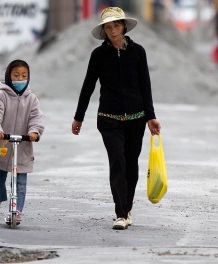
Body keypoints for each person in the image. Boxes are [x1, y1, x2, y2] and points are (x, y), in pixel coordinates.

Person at [71, 7, 161, 230]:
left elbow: (145, 86)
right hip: (108, 119)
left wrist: (151, 117)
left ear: (124, 27)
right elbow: (88, 87)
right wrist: (78, 117)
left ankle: (127, 208)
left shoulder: (138, 52)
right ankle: (120, 213)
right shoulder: (98, 55)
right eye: (108, 27)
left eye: (116, 26)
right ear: (104, 30)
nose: (113, 31)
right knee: (117, 162)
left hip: (136, 118)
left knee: (131, 164)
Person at [0, 59, 44, 224]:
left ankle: (18, 210)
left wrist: (34, 131)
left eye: (24, 75)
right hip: (2, 143)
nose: (20, 79)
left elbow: (36, 117)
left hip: (22, 146)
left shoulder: (32, 99)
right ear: (9, 76)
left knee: (21, 181)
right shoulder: (1, 95)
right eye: (16, 75)